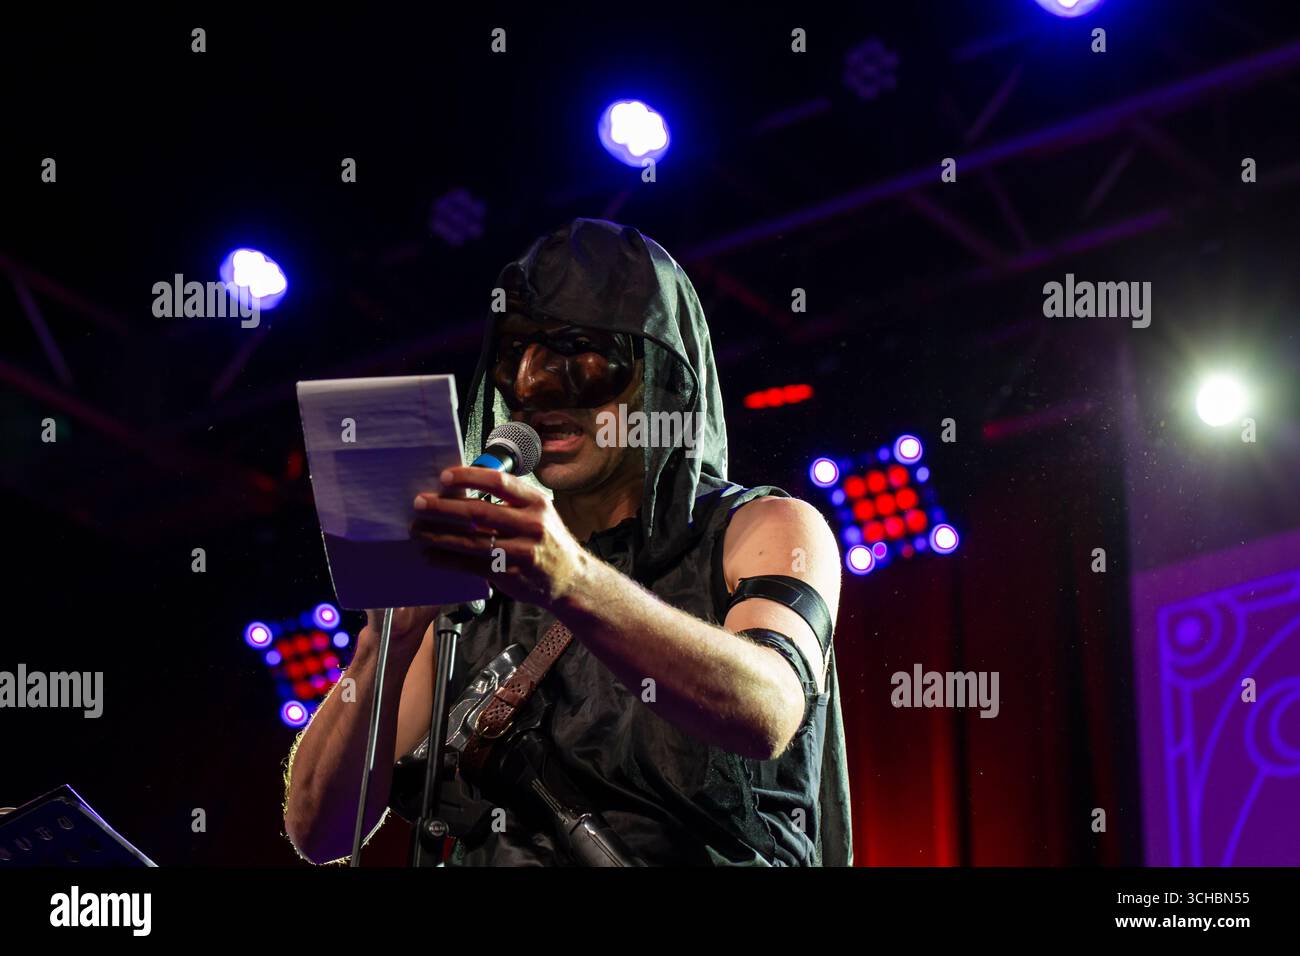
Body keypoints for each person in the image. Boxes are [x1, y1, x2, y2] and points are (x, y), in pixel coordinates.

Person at [283, 218, 852, 866]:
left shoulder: (761, 528)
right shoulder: (477, 577)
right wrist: (385, 643)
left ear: (657, 376)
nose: (536, 387)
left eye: (580, 353)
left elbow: (769, 710)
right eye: (517, 355)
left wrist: (572, 580)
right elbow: (318, 832)